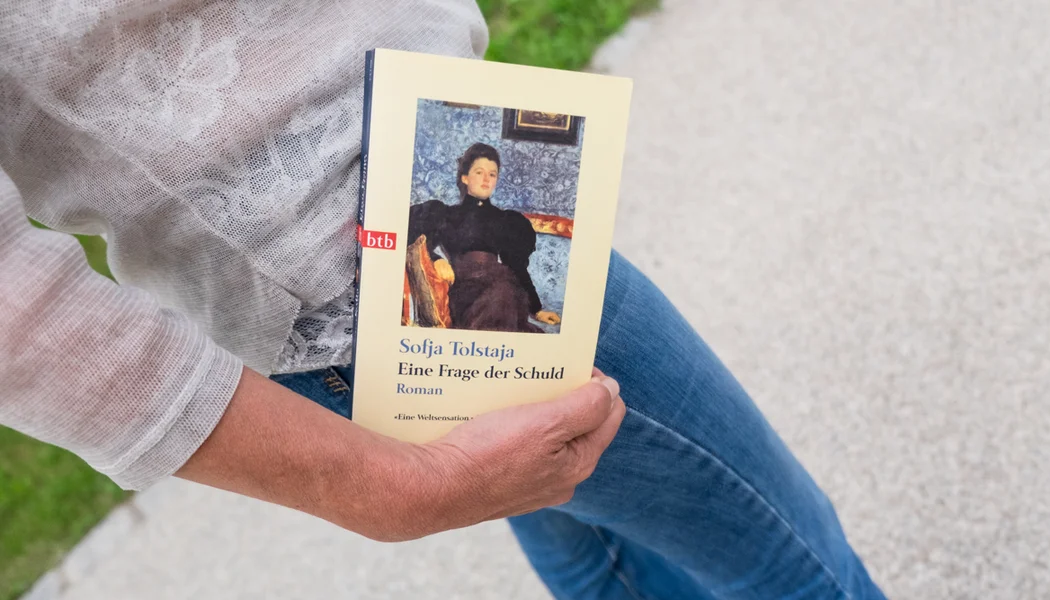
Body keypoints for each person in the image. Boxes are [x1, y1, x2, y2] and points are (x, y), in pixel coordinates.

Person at [0, 2, 885, 598]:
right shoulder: (442, 215)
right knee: (790, 558)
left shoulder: (494, 215)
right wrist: (383, 487)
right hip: (364, 285)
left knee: (598, 545)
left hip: (361, 250)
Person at [407, 142, 561, 333]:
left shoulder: (506, 220)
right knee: (499, 294)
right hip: (465, 289)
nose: (486, 179)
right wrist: (436, 259)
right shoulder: (446, 214)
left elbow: (518, 268)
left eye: (492, 174)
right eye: (479, 172)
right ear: (465, 178)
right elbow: (413, 239)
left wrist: (537, 310)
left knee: (503, 291)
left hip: (503, 287)